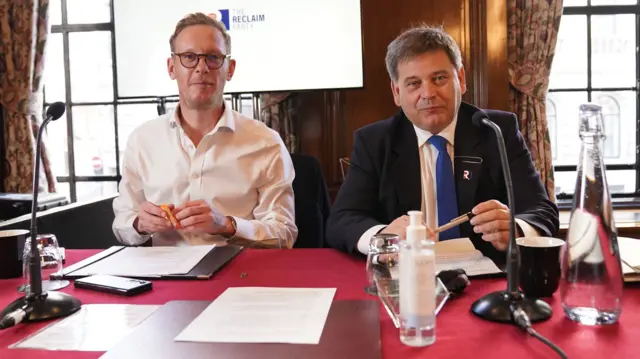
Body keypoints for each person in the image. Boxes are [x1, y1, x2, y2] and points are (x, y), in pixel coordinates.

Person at [325, 25, 559, 265]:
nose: (428, 93)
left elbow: (541, 210)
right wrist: (384, 238)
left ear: (461, 79)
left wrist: (515, 229)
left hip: (486, 280)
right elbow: (342, 220)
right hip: (405, 277)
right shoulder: (375, 141)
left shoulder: (496, 130)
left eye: (439, 78)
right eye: (414, 84)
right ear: (397, 92)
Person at [112, 13, 297, 248]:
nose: (201, 68)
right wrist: (140, 224)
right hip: (167, 278)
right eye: (189, 57)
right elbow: (122, 224)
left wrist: (227, 224)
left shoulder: (266, 142)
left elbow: (284, 234)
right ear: (171, 68)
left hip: (240, 276)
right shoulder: (142, 140)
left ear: (229, 69)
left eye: (212, 57)